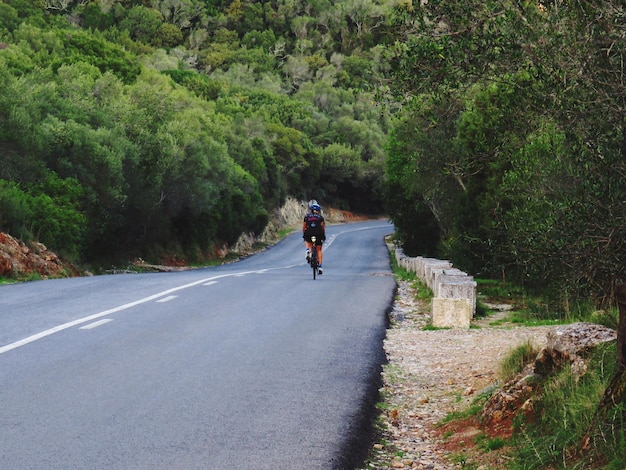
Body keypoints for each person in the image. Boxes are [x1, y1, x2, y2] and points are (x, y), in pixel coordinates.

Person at [302, 199, 325, 274]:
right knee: (319, 250)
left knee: (308, 241)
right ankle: (320, 267)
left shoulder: (307, 217)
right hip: (318, 234)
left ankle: (308, 250)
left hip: (309, 233)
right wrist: (323, 236)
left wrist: (304, 234)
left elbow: (304, 227)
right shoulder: (320, 218)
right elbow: (322, 228)